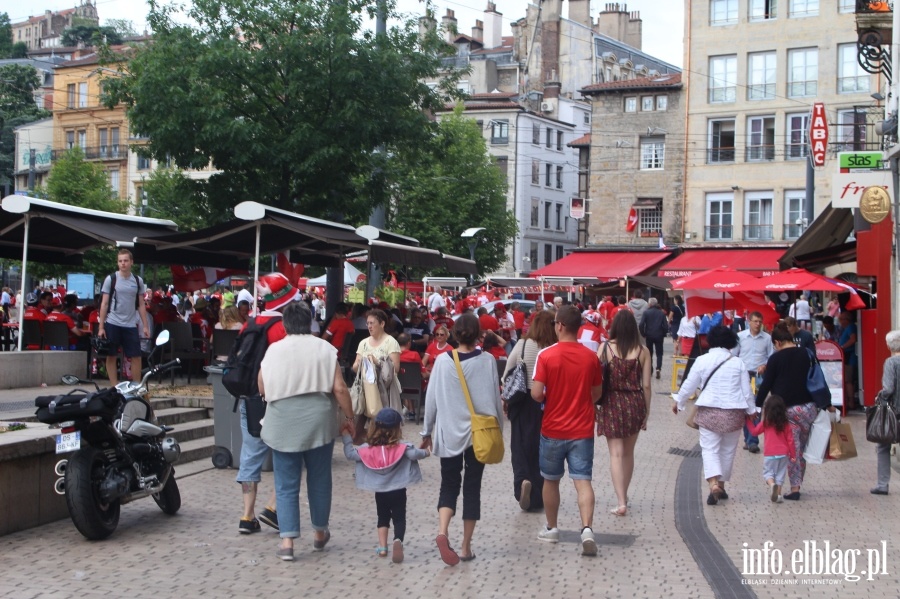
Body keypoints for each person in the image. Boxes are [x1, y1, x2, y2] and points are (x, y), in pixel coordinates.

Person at [258, 301, 355, 562]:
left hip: (282, 420)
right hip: (318, 419)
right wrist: (349, 416)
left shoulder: (274, 350)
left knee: (286, 482)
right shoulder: (325, 348)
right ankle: (320, 532)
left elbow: (262, 387)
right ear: (310, 321)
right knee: (320, 478)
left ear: (285, 324)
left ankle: (287, 541)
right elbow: (340, 388)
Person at [421, 313, 503, 565]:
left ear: (454, 334)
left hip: (448, 433)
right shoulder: (488, 361)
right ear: (479, 333)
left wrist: (426, 431)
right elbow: (494, 398)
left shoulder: (443, 362)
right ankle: (466, 546)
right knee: (472, 488)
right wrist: (498, 427)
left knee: (449, 484)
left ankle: (442, 532)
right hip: (479, 435)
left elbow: (431, 399)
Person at [531, 306, 603, 556]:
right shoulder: (591, 357)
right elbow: (597, 394)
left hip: (553, 428)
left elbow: (537, 393)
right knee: (583, 480)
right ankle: (587, 529)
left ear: (560, 325)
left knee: (551, 480)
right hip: (582, 429)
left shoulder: (546, 355)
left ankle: (552, 528)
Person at [235, 273, 296, 535]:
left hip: (248, 399)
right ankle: (273, 508)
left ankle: (246, 516)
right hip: (276, 399)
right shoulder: (282, 328)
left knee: (250, 455)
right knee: (289, 455)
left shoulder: (250, 323)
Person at [673, 326, 755, 506]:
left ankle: (713, 484)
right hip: (733, 413)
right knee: (727, 451)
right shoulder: (738, 362)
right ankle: (722, 486)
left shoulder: (702, 360)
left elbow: (689, 384)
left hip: (709, 412)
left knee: (710, 449)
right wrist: (752, 411)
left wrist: (679, 402)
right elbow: (746, 391)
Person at [755, 323, 834, 501]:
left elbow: (766, 385)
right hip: (808, 408)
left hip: (785, 411)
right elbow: (819, 378)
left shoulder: (775, 359)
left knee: (793, 450)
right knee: (800, 449)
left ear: (777, 342)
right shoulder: (807, 353)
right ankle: (796, 484)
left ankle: (795, 488)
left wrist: (757, 405)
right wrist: (827, 403)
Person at [342, 407, 429, 562]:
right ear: (397, 429)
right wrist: (426, 452)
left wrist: (346, 437)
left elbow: (350, 454)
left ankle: (383, 548)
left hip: (380, 491)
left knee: (382, 517)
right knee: (399, 517)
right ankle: (398, 541)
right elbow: (415, 454)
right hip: (398, 489)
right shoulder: (402, 447)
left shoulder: (366, 450)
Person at [596, 310, 651, 516]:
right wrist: (646, 411)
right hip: (634, 403)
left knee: (615, 454)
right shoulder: (643, 351)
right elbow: (646, 385)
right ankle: (624, 495)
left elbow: (595, 379)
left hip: (611, 402)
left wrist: (593, 405)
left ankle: (621, 502)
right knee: (628, 453)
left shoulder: (605, 348)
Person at [502, 310, 555, 512]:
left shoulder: (523, 344)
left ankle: (522, 483)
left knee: (520, 446)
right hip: (546, 403)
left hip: (522, 401)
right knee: (541, 448)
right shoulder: (553, 348)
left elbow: (507, 372)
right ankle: (539, 492)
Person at [97, 249, 150, 386]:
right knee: (111, 354)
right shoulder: (111, 279)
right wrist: (101, 327)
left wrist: (145, 325)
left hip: (130, 323)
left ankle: (137, 385)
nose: (123, 264)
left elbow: (141, 305)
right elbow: (104, 303)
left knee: (136, 355)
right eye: (120, 261)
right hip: (113, 321)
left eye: (126, 261)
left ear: (131, 262)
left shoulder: (138, 281)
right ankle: (114, 386)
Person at [733, 311, 774, 454]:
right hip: (744, 376)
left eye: (760, 322)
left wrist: (765, 365)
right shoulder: (741, 337)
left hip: (758, 377)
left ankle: (753, 440)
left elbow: (771, 357)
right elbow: (734, 355)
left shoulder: (767, 338)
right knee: (745, 407)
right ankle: (748, 437)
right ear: (748, 321)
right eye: (755, 321)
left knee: (756, 407)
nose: (758, 324)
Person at [745, 395, 796, 503]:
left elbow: (754, 432)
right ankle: (778, 495)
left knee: (768, 473)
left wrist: (747, 421)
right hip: (784, 454)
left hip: (770, 454)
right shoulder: (786, 424)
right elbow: (790, 440)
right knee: (780, 474)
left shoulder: (766, 423)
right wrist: (793, 455)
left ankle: (772, 484)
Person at [871, 330, 900, 495]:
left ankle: (883, 484)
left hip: (893, 412)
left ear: (888, 345)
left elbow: (888, 388)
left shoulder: (891, 362)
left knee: (883, 446)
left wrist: (880, 395)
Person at [639, 297, 668, 380]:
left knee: (649, 353)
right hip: (659, 335)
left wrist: (643, 333)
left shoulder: (646, 312)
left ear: (649, 304)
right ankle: (658, 368)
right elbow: (665, 325)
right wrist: (664, 333)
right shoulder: (661, 313)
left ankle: (650, 369)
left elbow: (641, 324)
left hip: (649, 335)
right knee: (659, 353)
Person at [838, 311, 859, 410]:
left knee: (848, 380)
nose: (840, 322)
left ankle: (851, 402)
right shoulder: (846, 328)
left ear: (846, 320)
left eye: (841, 319)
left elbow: (853, 339)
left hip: (850, 357)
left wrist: (842, 347)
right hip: (848, 356)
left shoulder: (850, 327)